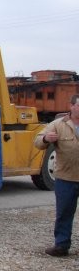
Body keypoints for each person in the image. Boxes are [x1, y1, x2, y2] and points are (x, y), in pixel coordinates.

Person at [35, 93, 79, 256]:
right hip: (66, 178)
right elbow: (37, 141)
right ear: (72, 106)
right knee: (64, 213)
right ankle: (61, 245)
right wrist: (46, 138)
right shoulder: (58, 124)